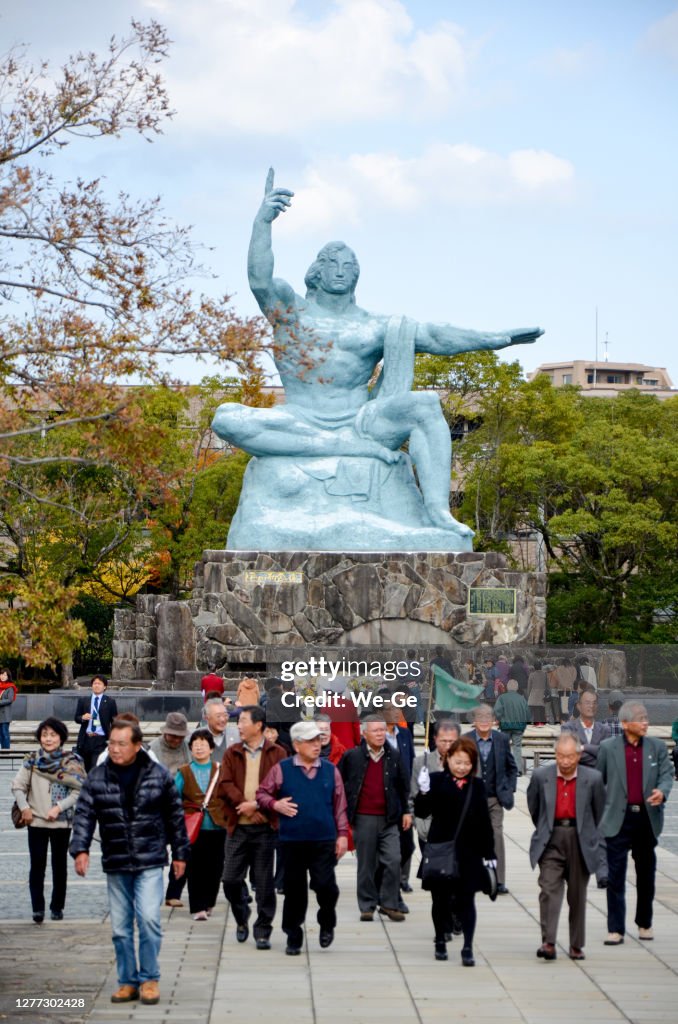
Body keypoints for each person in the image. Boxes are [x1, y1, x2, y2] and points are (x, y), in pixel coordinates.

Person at [212, 169, 542, 540]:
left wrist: (496, 338)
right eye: (333, 263)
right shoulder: (290, 312)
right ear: (316, 272)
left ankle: (437, 511)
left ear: (358, 275)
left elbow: (434, 335)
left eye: (350, 266)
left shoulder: (374, 326)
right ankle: (342, 447)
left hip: (362, 422)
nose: (341, 271)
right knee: (226, 418)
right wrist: (263, 223)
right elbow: (259, 280)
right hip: (299, 420)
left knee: (426, 405)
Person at [70, 719, 189, 1006]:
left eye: (122, 743)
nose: (115, 749)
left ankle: (149, 978)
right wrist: (81, 849)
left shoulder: (157, 775)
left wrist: (181, 853)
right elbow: (84, 813)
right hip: (116, 858)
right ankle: (127, 981)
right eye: (111, 743)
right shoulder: (98, 776)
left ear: (137, 746)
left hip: (150, 859)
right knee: (121, 927)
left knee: (148, 919)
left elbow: (175, 816)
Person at [256, 720, 349, 954]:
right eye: (310, 741)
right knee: (294, 891)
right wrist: (275, 804)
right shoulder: (283, 769)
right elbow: (262, 793)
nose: (316, 745)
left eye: (318, 740)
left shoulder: (330, 770)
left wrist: (343, 835)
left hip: (323, 839)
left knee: (326, 887)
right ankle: (293, 935)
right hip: (292, 840)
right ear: (297, 745)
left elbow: (340, 805)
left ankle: (327, 921)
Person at [597, 701, 673, 945]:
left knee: (646, 875)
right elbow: (599, 781)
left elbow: (666, 774)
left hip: (646, 819)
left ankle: (644, 923)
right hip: (618, 819)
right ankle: (615, 929)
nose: (645, 722)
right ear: (625, 723)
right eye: (641, 718)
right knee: (615, 876)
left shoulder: (657, 747)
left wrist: (661, 791)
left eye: (646, 718)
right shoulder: (608, 748)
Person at [415, 736, 495, 965]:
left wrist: (490, 853)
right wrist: (423, 792)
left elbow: (484, 822)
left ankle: (468, 946)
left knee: (466, 901)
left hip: (469, 853)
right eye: (458, 762)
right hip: (442, 848)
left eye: (467, 763)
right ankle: (440, 939)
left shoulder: (477, 786)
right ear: (448, 759)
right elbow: (422, 812)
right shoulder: (437, 780)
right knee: (439, 900)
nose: (462, 767)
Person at [527, 733, 606, 961]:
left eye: (570, 757)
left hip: (580, 839)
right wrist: (545, 828)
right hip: (552, 838)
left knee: (577, 895)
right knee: (549, 890)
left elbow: (599, 812)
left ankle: (576, 944)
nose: (565, 762)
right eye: (560, 756)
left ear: (579, 755)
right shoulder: (542, 775)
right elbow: (535, 806)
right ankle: (548, 941)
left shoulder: (593, 779)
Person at [217, 705, 286, 949]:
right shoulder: (232, 753)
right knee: (230, 879)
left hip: (265, 827)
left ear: (258, 725)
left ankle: (263, 929)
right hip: (238, 826)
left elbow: (281, 788)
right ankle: (241, 916)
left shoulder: (277, 753)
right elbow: (224, 783)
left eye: (243, 720)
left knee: (265, 883)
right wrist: (244, 805)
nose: (238, 725)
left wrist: (258, 807)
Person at [11, 717, 86, 923]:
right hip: (36, 821)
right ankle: (38, 908)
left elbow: (79, 790)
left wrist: (58, 807)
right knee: (37, 865)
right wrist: (25, 808)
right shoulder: (32, 760)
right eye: (44, 735)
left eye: (52, 735)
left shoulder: (71, 762)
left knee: (59, 865)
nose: (48, 739)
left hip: (61, 822)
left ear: (61, 737)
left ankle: (57, 907)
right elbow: (18, 786)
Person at [339, 715, 412, 923]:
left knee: (393, 859)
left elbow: (403, 785)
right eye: (376, 731)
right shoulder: (352, 756)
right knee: (366, 864)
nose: (380, 734)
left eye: (382, 730)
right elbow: (339, 782)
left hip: (389, 818)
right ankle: (367, 905)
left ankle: (389, 903)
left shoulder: (394, 756)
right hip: (363, 818)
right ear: (365, 734)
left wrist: (406, 810)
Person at [175, 729, 227, 921]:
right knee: (195, 868)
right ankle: (198, 907)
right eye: (195, 744)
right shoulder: (184, 772)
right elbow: (173, 798)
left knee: (215, 868)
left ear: (211, 749)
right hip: (193, 828)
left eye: (203, 744)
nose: (199, 748)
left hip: (217, 826)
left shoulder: (220, 769)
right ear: (190, 749)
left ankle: (209, 901)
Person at [467, 704, 517, 895]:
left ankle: (499, 880)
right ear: (474, 720)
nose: (484, 720)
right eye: (480, 716)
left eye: (488, 716)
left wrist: (509, 788)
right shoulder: (466, 740)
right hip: (472, 800)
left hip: (495, 799)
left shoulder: (502, 739)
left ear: (494, 720)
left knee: (496, 836)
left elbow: (512, 767)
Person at [74, 675, 118, 772]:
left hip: (101, 740)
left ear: (104, 686)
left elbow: (115, 721)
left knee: (95, 768)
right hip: (86, 739)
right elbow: (76, 718)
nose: (96, 686)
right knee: (84, 768)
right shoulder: (84, 701)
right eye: (94, 683)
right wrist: (82, 717)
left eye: (99, 683)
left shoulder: (110, 702)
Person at [562, 691, 611, 768]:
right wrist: (596, 754)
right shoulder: (568, 728)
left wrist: (584, 747)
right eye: (587, 703)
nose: (591, 706)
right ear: (579, 706)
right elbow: (569, 754)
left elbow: (606, 754)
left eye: (594, 703)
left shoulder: (605, 730)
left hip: (598, 776)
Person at [492, 680, 530, 773]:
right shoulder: (522, 699)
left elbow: (497, 711)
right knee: (517, 747)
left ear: (507, 687)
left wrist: (498, 719)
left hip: (505, 726)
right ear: (517, 688)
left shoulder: (502, 698)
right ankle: (517, 769)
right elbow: (528, 714)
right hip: (519, 727)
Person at [204, 698, 229, 764]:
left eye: (225, 715)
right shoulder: (196, 736)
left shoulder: (237, 735)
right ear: (207, 718)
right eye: (218, 716)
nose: (223, 719)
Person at [0, 667, 17, 748]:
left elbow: (10, 700)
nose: (2, 676)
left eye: (5, 675)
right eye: (1, 674)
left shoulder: (10, 687)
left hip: (5, 715)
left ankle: (6, 752)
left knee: (4, 733)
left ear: (8, 676)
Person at [526, 660, 547, 725]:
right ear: (540, 667)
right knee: (542, 712)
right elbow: (547, 685)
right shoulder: (544, 674)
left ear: (534, 667)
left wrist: (528, 696)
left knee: (535, 713)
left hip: (534, 695)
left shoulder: (532, 675)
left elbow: (529, 687)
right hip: (542, 695)